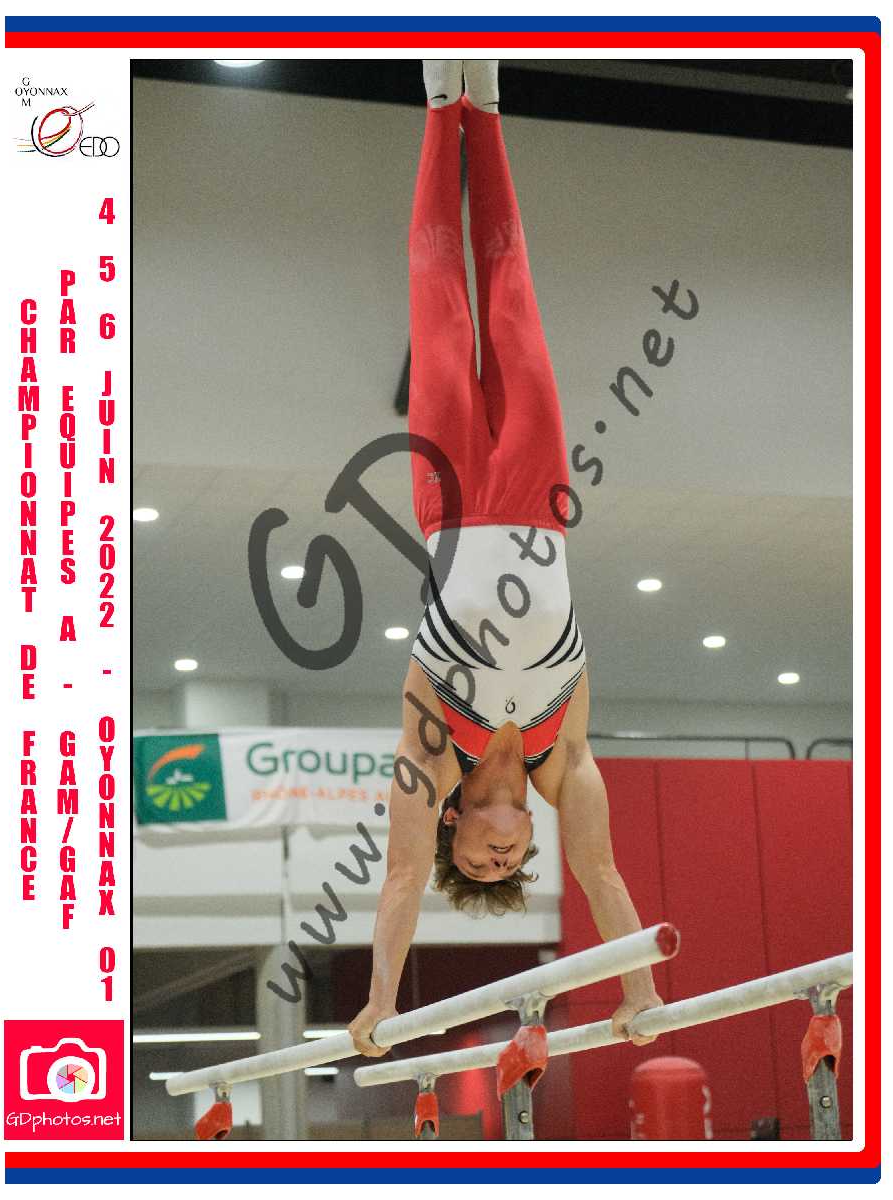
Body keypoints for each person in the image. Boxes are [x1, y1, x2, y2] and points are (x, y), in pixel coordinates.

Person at [349, 61, 662, 1057]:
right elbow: (602, 875)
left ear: (456, 830)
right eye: (509, 863)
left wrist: (381, 1003)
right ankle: (487, 113)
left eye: (480, 864)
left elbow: (401, 878)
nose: (499, 854)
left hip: (449, 502)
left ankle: (440, 112)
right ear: (529, 837)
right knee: (514, 302)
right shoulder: (565, 762)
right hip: (538, 499)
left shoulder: (429, 757)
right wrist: (641, 993)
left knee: (441, 303)